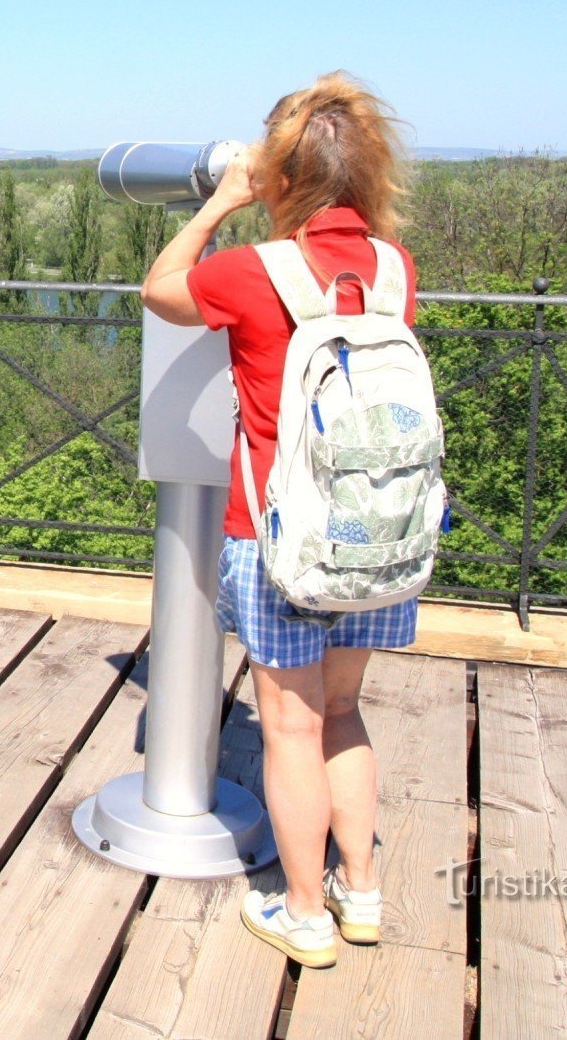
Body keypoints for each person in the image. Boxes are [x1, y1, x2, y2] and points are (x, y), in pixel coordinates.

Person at [138, 72, 417, 969]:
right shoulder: (392, 269)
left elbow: (161, 289)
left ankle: (303, 911)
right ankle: (360, 889)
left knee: (289, 727)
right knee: (343, 711)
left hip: (276, 540)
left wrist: (221, 201)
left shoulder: (254, 272)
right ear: (371, 172)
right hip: (374, 534)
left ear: (281, 175)